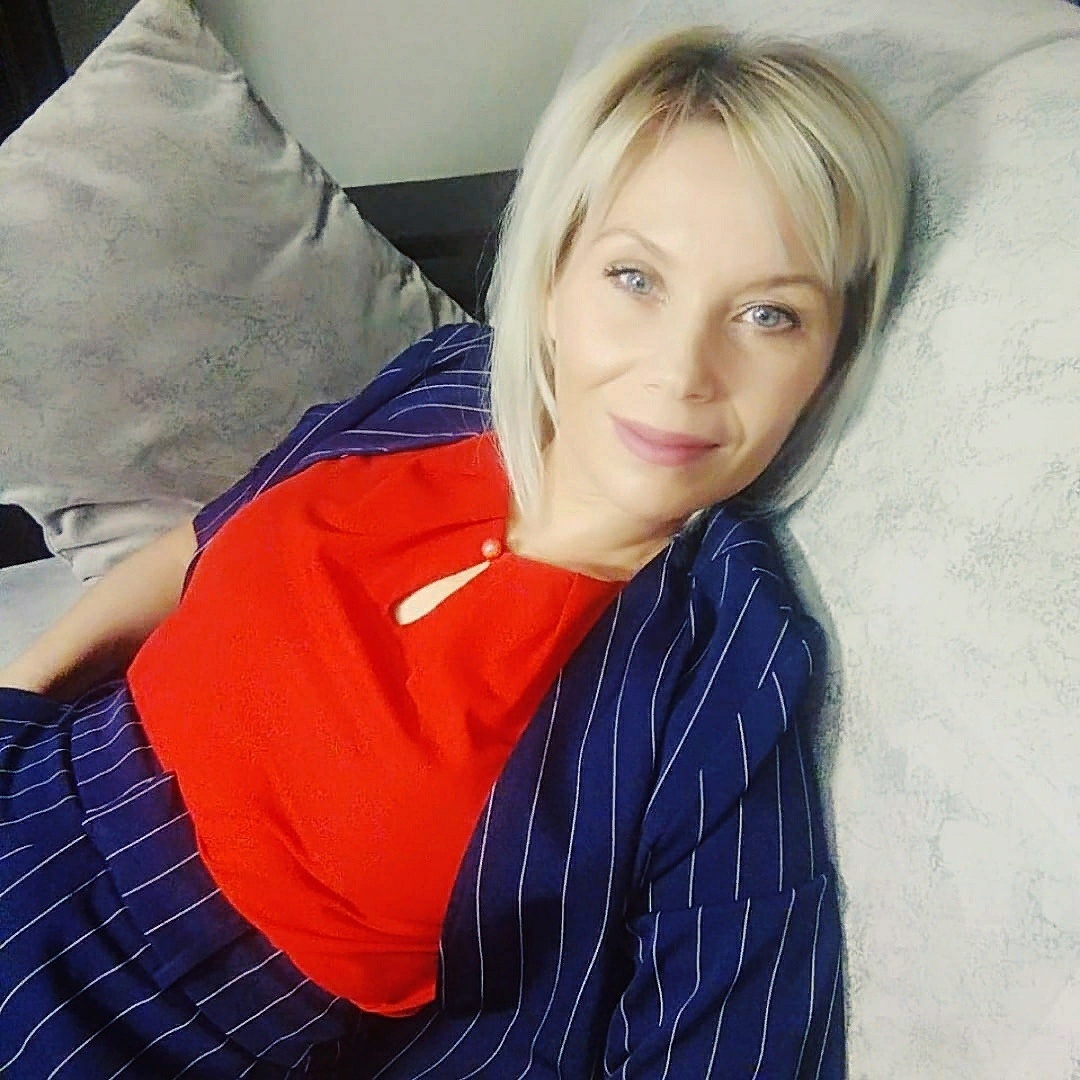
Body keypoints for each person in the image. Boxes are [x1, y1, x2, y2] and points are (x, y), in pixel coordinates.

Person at [0, 23, 908, 1079]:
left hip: (129, 1029)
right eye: (635, 278)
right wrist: (17, 695)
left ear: (830, 357)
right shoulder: (445, 382)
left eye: (769, 315)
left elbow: (725, 1041)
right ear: (554, 280)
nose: (683, 371)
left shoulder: (723, 669)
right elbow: (198, 545)